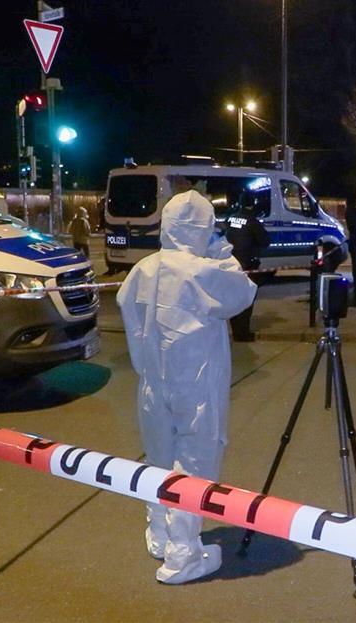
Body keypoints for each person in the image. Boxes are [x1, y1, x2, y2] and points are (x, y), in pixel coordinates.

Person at [116, 191, 256, 584]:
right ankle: (183, 555)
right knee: (194, 464)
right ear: (200, 230)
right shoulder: (200, 271)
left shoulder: (142, 269)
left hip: (151, 383)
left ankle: (159, 533)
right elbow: (242, 292)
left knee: (158, 458)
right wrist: (223, 253)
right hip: (195, 386)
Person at [224, 192, 270, 342]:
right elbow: (265, 241)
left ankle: (237, 330)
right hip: (247, 265)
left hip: (231, 264)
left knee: (234, 298)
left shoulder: (230, 218)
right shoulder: (252, 221)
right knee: (246, 300)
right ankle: (243, 333)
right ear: (253, 203)